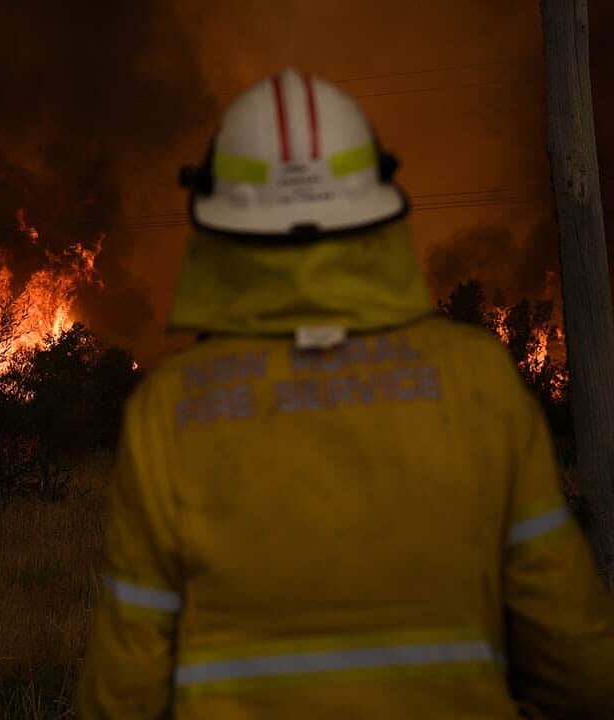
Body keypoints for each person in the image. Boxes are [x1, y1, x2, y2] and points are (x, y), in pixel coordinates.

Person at [75, 67, 614, 719]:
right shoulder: (477, 381)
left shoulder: (168, 411)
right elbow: (577, 656)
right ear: (377, 209)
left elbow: (123, 688)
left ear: (219, 225)